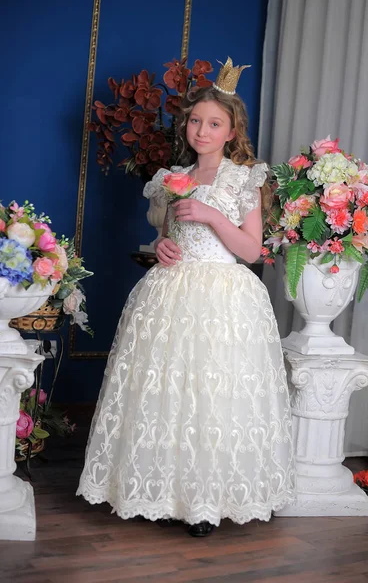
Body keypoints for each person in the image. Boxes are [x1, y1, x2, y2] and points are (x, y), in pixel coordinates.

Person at [77, 57, 295, 537]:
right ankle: (157, 488)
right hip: (173, 289)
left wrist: (215, 217)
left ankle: (208, 499)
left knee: (215, 395)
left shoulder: (244, 178)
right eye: (196, 120)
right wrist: (163, 246)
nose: (202, 130)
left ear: (231, 130)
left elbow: (252, 249)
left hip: (224, 294)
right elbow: (166, 235)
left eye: (214, 123)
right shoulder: (171, 177)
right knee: (168, 392)